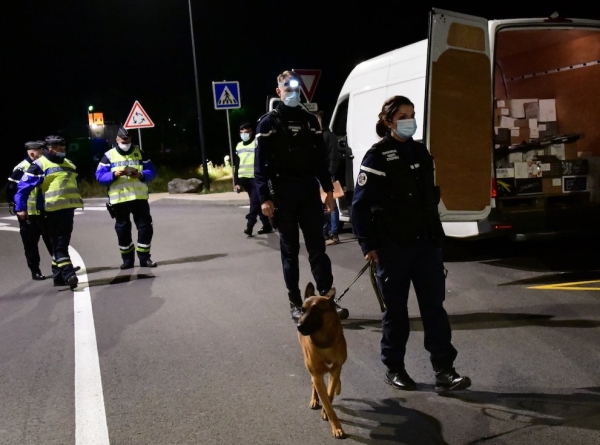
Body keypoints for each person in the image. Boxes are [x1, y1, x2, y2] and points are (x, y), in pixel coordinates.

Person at [351, 95, 471, 393]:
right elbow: (359, 206)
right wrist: (368, 245)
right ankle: (395, 368)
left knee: (435, 311)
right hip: (393, 247)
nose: (409, 121)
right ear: (388, 121)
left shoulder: (420, 152)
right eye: (403, 115)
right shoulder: (377, 156)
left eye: (412, 114)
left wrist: (437, 240)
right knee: (396, 312)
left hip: (425, 245)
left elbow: (429, 200)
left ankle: (445, 370)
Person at [255, 70, 349, 322]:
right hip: (282, 194)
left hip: (308, 192)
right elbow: (260, 166)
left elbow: (320, 162)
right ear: (279, 91)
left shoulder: (310, 122)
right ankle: (295, 302)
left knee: (318, 249)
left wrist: (329, 191)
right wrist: (264, 198)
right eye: (288, 88)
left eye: (296, 89)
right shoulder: (268, 123)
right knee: (290, 250)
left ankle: (328, 299)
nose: (292, 93)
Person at [14, 135, 83, 289]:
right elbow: (23, 188)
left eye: (64, 146)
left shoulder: (69, 163)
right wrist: (20, 208)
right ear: (50, 148)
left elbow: (76, 182)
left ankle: (58, 277)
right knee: (59, 245)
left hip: (68, 210)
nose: (63, 149)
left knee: (61, 243)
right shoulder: (40, 164)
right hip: (50, 211)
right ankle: (68, 273)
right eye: (59, 146)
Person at [95, 126, 158, 269]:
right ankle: (127, 260)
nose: (125, 141)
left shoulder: (140, 153)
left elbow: (152, 171)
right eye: (123, 139)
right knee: (123, 230)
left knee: (145, 227)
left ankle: (144, 258)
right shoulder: (109, 155)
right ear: (117, 139)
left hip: (139, 198)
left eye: (127, 138)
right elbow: (99, 176)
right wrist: (114, 175)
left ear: (131, 138)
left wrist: (142, 175)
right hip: (119, 200)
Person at [5, 140, 54, 280]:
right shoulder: (22, 168)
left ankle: (62, 266)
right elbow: (10, 188)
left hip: (44, 211)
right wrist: (18, 208)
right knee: (31, 244)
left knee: (52, 240)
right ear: (32, 153)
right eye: (41, 150)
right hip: (28, 214)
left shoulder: (42, 164)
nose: (44, 151)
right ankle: (35, 271)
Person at [233, 122, 273, 237]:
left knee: (254, 202)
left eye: (246, 132)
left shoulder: (256, 143)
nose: (244, 134)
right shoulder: (239, 145)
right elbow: (237, 164)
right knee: (257, 202)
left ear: (251, 132)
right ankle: (267, 225)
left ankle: (250, 225)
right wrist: (237, 182)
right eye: (242, 133)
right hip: (245, 179)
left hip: (256, 178)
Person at [317, 110, 343, 246]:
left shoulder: (328, 136)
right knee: (323, 205)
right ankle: (325, 233)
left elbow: (334, 156)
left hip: (327, 175)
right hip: (318, 176)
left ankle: (334, 234)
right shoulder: (316, 136)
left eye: (318, 119)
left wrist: (330, 174)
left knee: (331, 204)